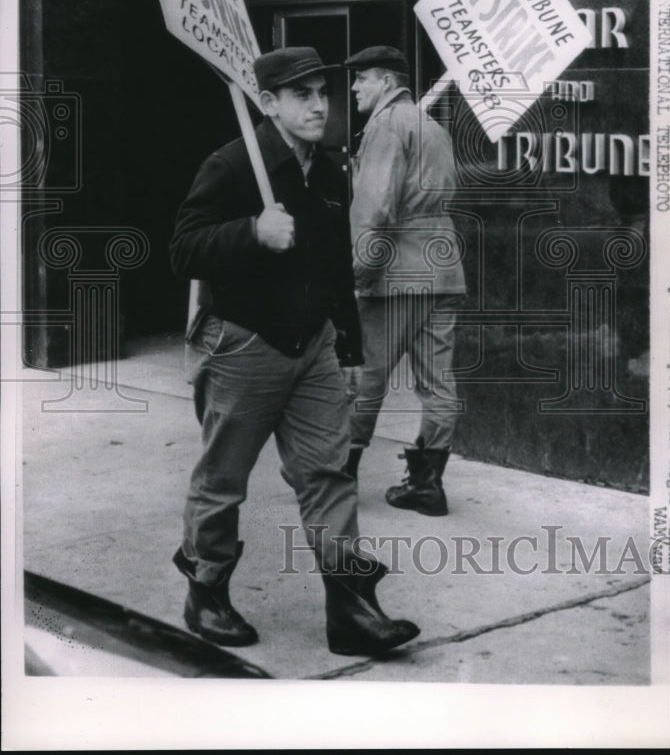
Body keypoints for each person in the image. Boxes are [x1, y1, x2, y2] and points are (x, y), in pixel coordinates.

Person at [168, 46, 419, 656]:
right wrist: (251, 232)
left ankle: (351, 612)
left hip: (314, 348)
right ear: (269, 103)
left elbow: (334, 264)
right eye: (302, 94)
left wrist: (349, 347)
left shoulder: (330, 170)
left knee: (328, 475)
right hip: (243, 344)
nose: (318, 105)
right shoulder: (231, 166)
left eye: (324, 93)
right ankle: (207, 593)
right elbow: (183, 249)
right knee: (223, 480)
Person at [343, 45, 466, 516]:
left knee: (365, 376)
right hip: (443, 267)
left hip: (396, 271)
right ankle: (428, 486)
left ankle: (340, 477)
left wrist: (358, 274)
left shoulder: (386, 125)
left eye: (362, 79)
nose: (354, 88)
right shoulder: (431, 126)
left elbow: (374, 208)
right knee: (438, 382)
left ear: (387, 82)